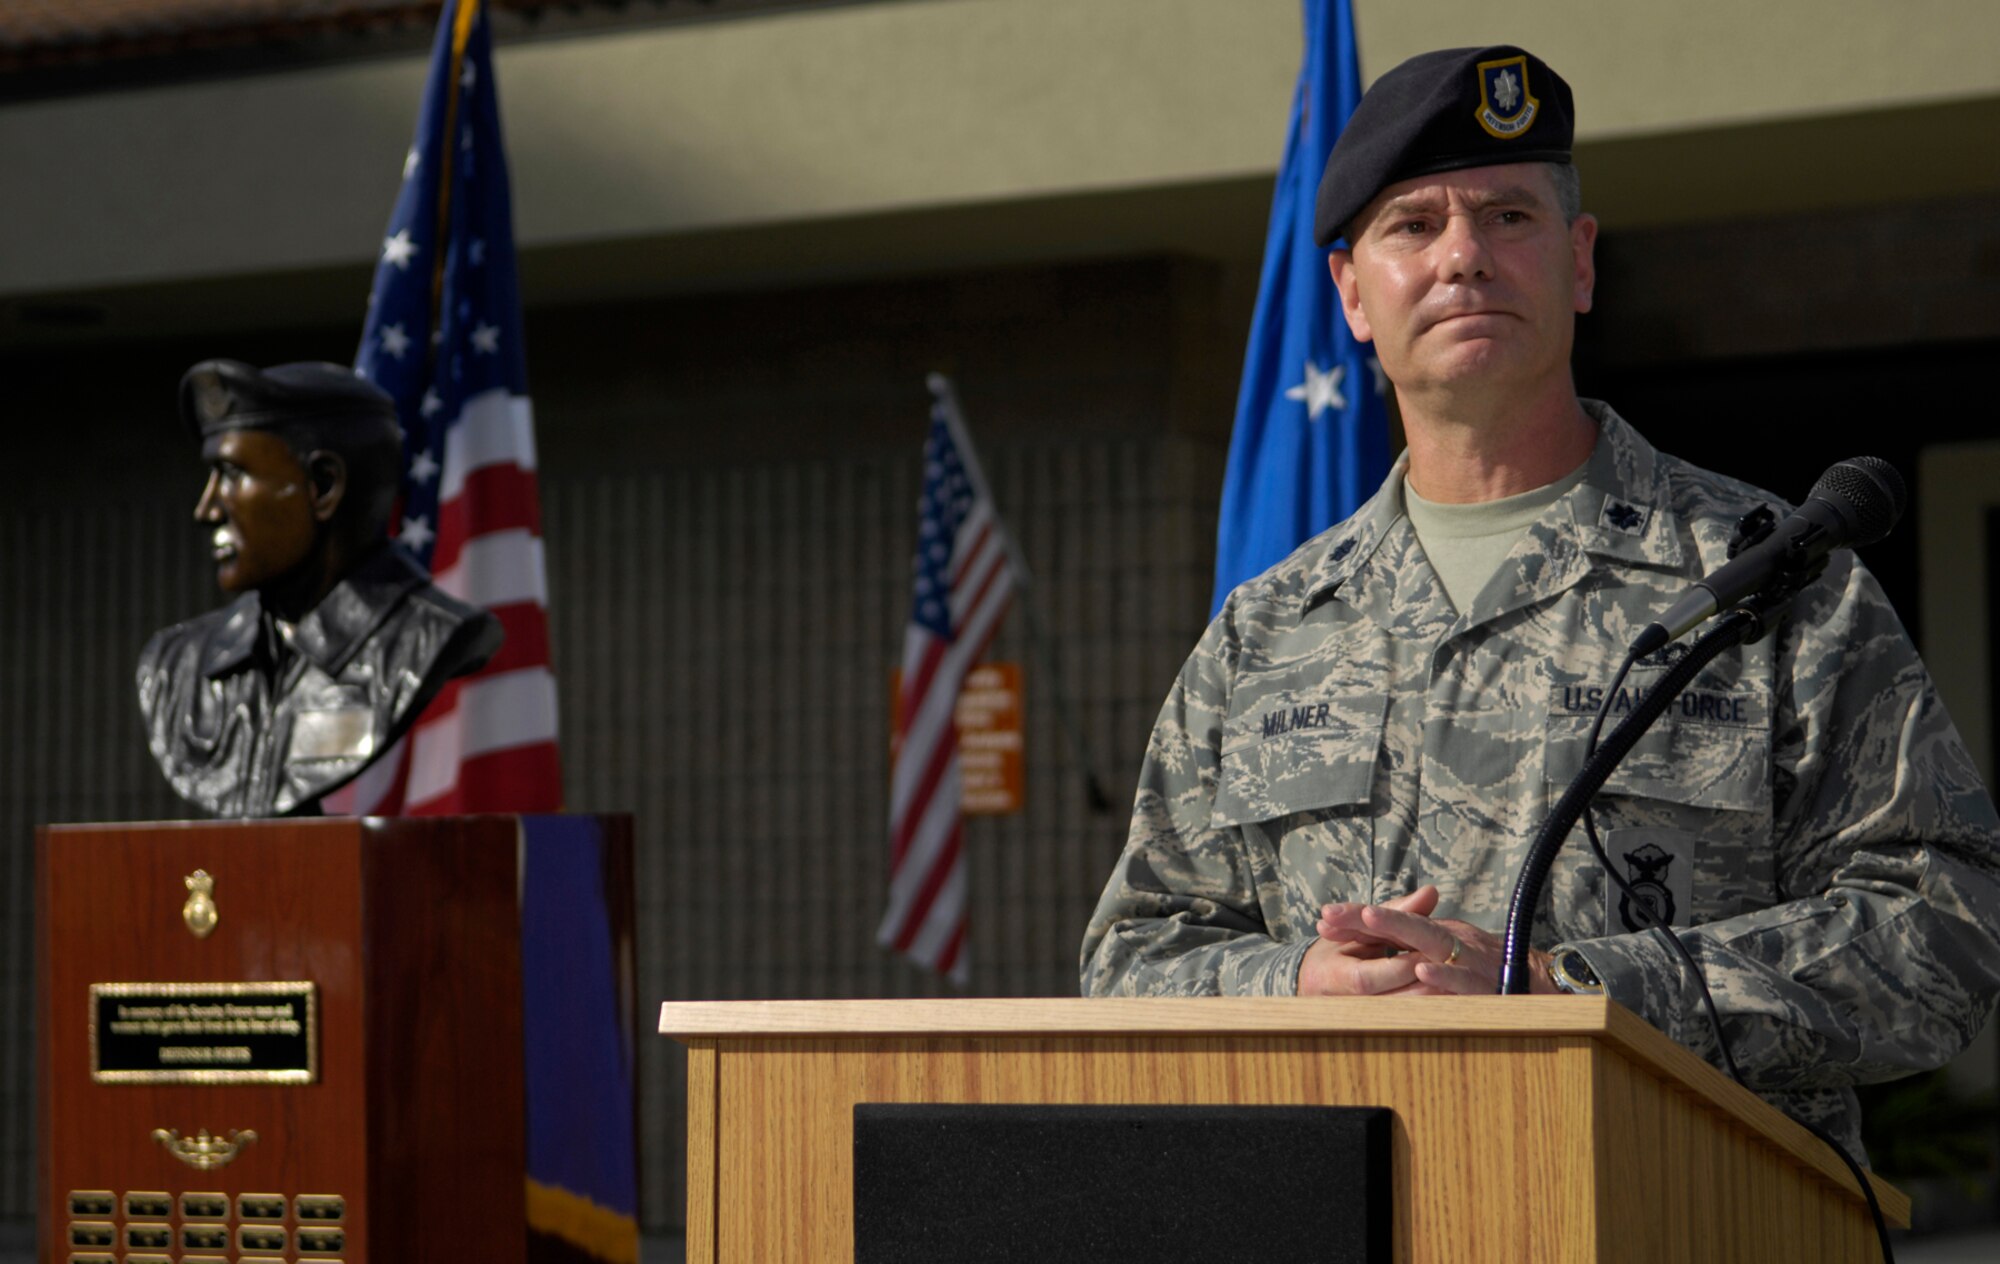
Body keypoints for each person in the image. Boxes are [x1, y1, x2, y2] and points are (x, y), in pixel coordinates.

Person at [1078, 44, 2000, 1160]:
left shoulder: (1768, 579)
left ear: (1577, 262)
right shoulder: (1264, 631)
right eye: (1411, 225)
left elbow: (1946, 932)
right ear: (1350, 295)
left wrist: (1572, 991)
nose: (1461, 256)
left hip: (1689, 1217)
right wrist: (1297, 981)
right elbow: (1133, 964)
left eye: (1506, 216)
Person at [137, 358, 502, 817]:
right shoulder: (175, 666)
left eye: (231, 474)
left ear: (324, 486)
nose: (207, 509)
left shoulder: (429, 639)